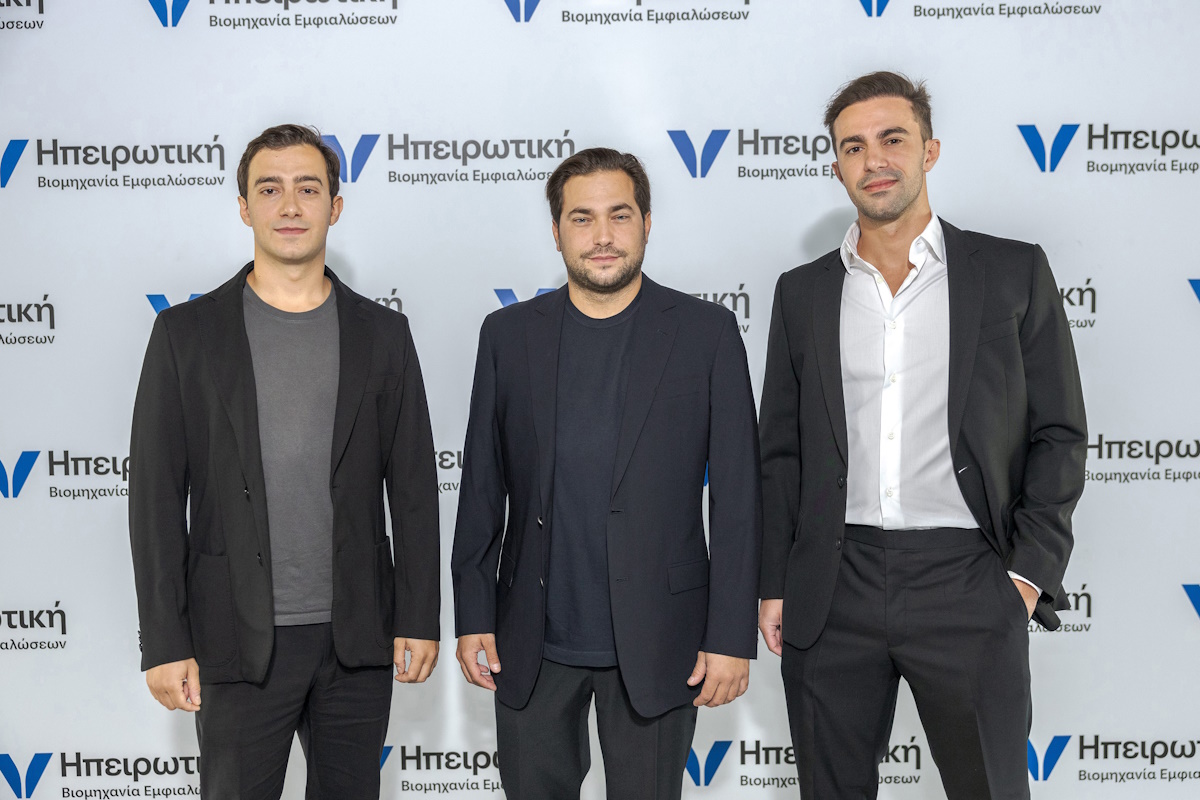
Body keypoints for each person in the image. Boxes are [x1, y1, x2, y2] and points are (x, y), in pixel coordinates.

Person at [757, 72, 1087, 799]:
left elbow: (1060, 433)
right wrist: (774, 583)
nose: (874, 159)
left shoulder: (1013, 271)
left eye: (892, 139)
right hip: (832, 584)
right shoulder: (802, 292)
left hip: (968, 577)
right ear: (836, 165)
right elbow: (780, 454)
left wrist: (1025, 577)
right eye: (853, 146)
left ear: (929, 151)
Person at [128, 124, 440, 799]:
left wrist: (418, 617)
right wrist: (165, 640)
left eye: (308, 188)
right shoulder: (185, 336)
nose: (290, 206)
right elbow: (155, 499)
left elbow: (415, 488)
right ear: (244, 207)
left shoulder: (385, 335)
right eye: (270, 190)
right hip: (233, 637)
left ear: (335, 205)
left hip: (356, 636)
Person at [451, 147, 762, 800]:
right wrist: (473, 612)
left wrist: (731, 636)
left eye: (619, 215)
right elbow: (481, 484)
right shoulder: (507, 336)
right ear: (556, 231)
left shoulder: (706, 333)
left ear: (647, 222)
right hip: (531, 643)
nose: (601, 236)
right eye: (581, 218)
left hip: (663, 640)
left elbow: (738, 500)